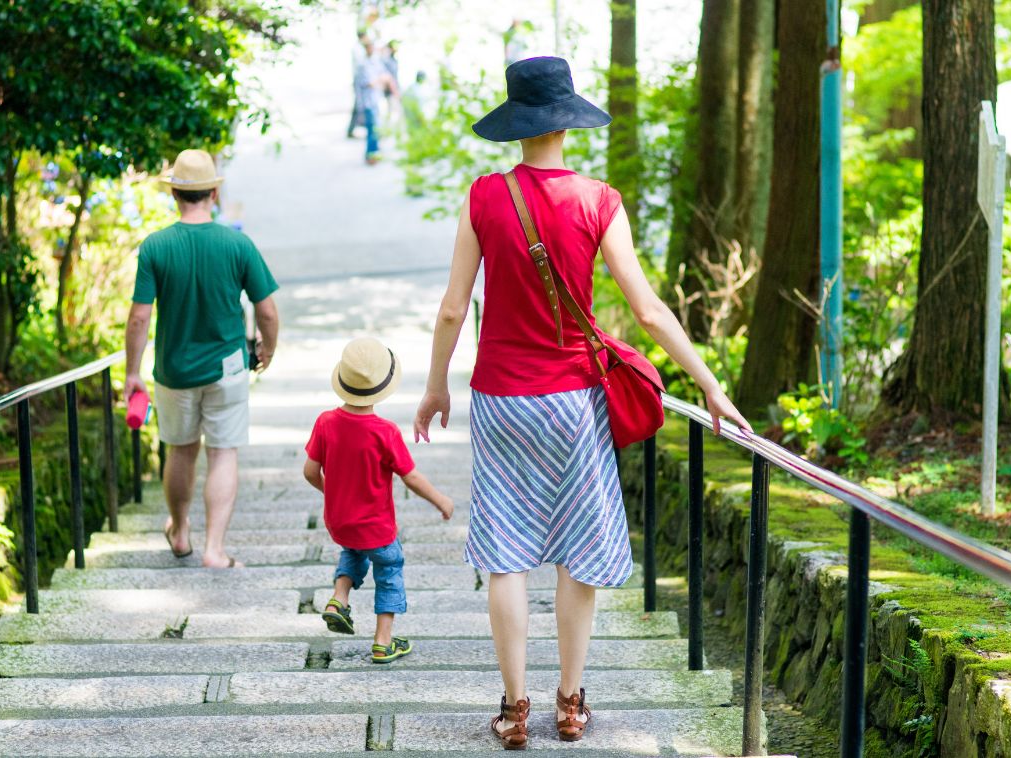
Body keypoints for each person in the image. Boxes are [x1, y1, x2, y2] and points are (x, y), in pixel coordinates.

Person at [412, 57, 752, 749]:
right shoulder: (599, 200)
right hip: (573, 399)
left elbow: (453, 309)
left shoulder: (484, 198)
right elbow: (649, 311)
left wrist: (435, 386)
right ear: (568, 120)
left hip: (503, 400)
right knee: (577, 549)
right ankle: (570, 703)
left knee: (505, 554)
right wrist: (709, 384)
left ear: (517, 125)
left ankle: (515, 710)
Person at [125, 148, 279, 570]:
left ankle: (179, 531)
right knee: (224, 452)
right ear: (213, 193)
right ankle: (214, 549)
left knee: (180, 450)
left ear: (175, 192)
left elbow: (140, 317)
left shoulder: (155, 247)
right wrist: (268, 348)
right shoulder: (237, 243)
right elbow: (266, 310)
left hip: (173, 371)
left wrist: (131, 374)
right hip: (227, 368)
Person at [304, 337, 453, 663]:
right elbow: (410, 477)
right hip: (378, 528)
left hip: (340, 523)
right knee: (389, 570)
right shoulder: (384, 432)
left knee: (352, 552)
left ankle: (338, 599)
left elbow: (310, 471)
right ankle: (383, 642)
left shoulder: (325, 423)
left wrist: (332, 492)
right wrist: (440, 500)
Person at [355, 38, 397, 164]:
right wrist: (380, 80)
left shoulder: (376, 62)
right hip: (368, 102)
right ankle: (370, 155)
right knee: (371, 130)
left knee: (376, 129)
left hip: (376, 100)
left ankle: (375, 153)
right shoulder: (363, 64)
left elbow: (386, 77)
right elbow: (370, 83)